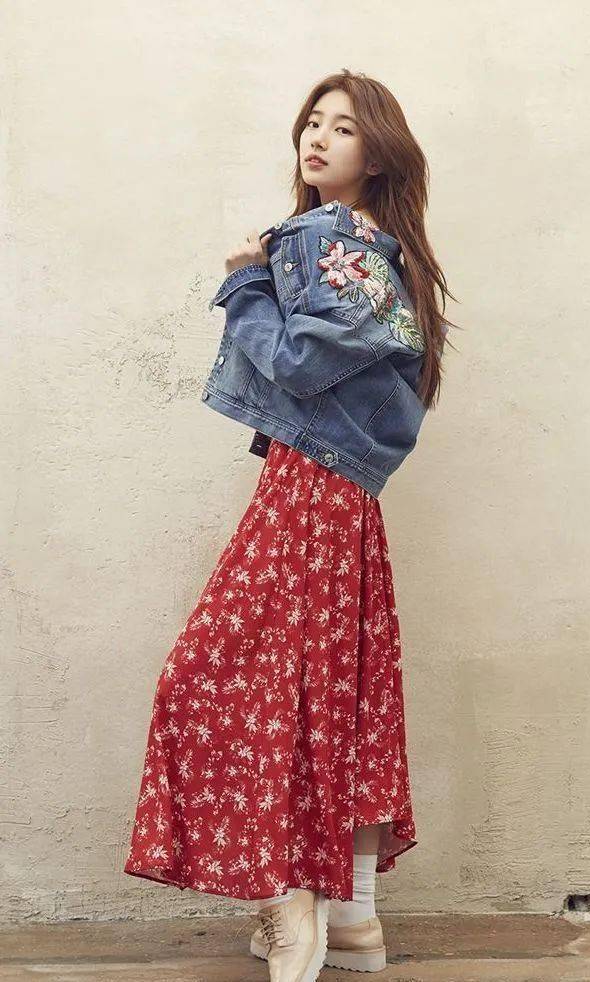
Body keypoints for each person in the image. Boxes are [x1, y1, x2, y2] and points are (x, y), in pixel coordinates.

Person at [123, 68, 458, 981]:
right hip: (341, 499)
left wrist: (244, 283)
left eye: (343, 128)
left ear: (376, 154)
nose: (318, 138)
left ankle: (290, 903)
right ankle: (353, 921)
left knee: (207, 677)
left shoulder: (326, 239)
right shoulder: (386, 255)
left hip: (309, 491)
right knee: (337, 696)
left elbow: (299, 365)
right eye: (313, 122)